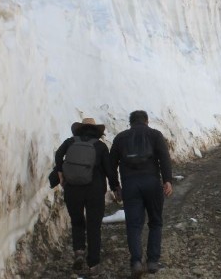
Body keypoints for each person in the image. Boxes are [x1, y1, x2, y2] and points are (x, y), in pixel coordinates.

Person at [110, 110, 173, 277]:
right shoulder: (155, 135)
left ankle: (136, 262)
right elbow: (164, 158)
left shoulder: (121, 138)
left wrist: (115, 186)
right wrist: (167, 180)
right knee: (155, 222)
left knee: (134, 225)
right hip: (152, 182)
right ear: (146, 121)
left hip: (130, 185)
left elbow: (111, 164)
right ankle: (152, 261)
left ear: (130, 122)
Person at [55, 118, 120, 277]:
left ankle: (78, 251)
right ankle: (93, 265)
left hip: (72, 189)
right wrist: (115, 187)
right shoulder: (100, 146)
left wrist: (59, 171)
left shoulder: (70, 142)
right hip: (94, 191)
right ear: (96, 131)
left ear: (79, 129)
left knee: (77, 221)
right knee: (93, 227)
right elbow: (109, 170)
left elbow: (58, 155)